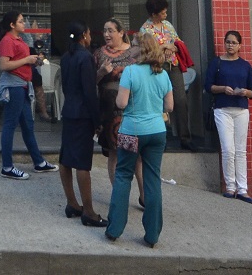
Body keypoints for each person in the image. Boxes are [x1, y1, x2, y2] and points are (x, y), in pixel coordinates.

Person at [105, 33, 173, 248]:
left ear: (140, 50)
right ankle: (152, 235)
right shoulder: (162, 74)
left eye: (133, 47)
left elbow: (122, 103)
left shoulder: (130, 72)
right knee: (152, 179)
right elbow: (169, 107)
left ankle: (114, 229)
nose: (129, 50)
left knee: (123, 175)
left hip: (131, 131)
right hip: (156, 131)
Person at [0, 10, 56, 179]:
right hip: (14, 86)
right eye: (21, 21)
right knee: (9, 125)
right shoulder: (7, 40)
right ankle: (7, 166)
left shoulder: (19, 39)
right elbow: (4, 65)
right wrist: (27, 60)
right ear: (12, 25)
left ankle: (39, 162)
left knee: (28, 125)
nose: (24, 24)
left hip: (22, 86)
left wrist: (33, 59)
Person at [58, 21, 106, 227]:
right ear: (83, 36)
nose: (90, 37)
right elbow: (89, 92)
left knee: (65, 159)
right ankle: (88, 211)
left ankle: (72, 203)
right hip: (83, 114)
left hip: (69, 111)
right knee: (82, 163)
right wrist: (97, 120)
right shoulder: (85, 58)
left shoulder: (66, 57)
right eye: (88, 33)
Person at [205, 30, 252, 203]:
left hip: (241, 109)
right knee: (228, 149)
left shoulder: (245, 66)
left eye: (234, 42)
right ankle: (230, 187)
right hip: (222, 109)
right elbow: (208, 86)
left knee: (240, 150)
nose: (230, 45)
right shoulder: (217, 63)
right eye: (228, 42)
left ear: (240, 45)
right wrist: (222, 88)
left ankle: (243, 189)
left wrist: (244, 92)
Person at [94, 19, 141, 195]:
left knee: (136, 154)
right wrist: (101, 73)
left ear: (121, 32)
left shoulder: (135, 53)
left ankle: (143, 195)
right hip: (109, 110)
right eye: (104, 31)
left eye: (111, 31)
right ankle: (118, 195)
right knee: (114, 152)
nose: (106, 34)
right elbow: (91, 81)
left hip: (132, 108)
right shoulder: (99, 54)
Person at [139, 0, 192, 150]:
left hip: (173, 65)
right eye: (162, 12)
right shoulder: (145, 30)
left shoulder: (168, 25)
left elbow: (177, 42)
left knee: (181, 100)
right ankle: (161, 137)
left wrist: (171, 47)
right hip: (157, 68)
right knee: (158, 102)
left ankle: (185, 137)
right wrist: (164, 48)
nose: (165, 15)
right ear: (154, 14)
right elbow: (147, 52)